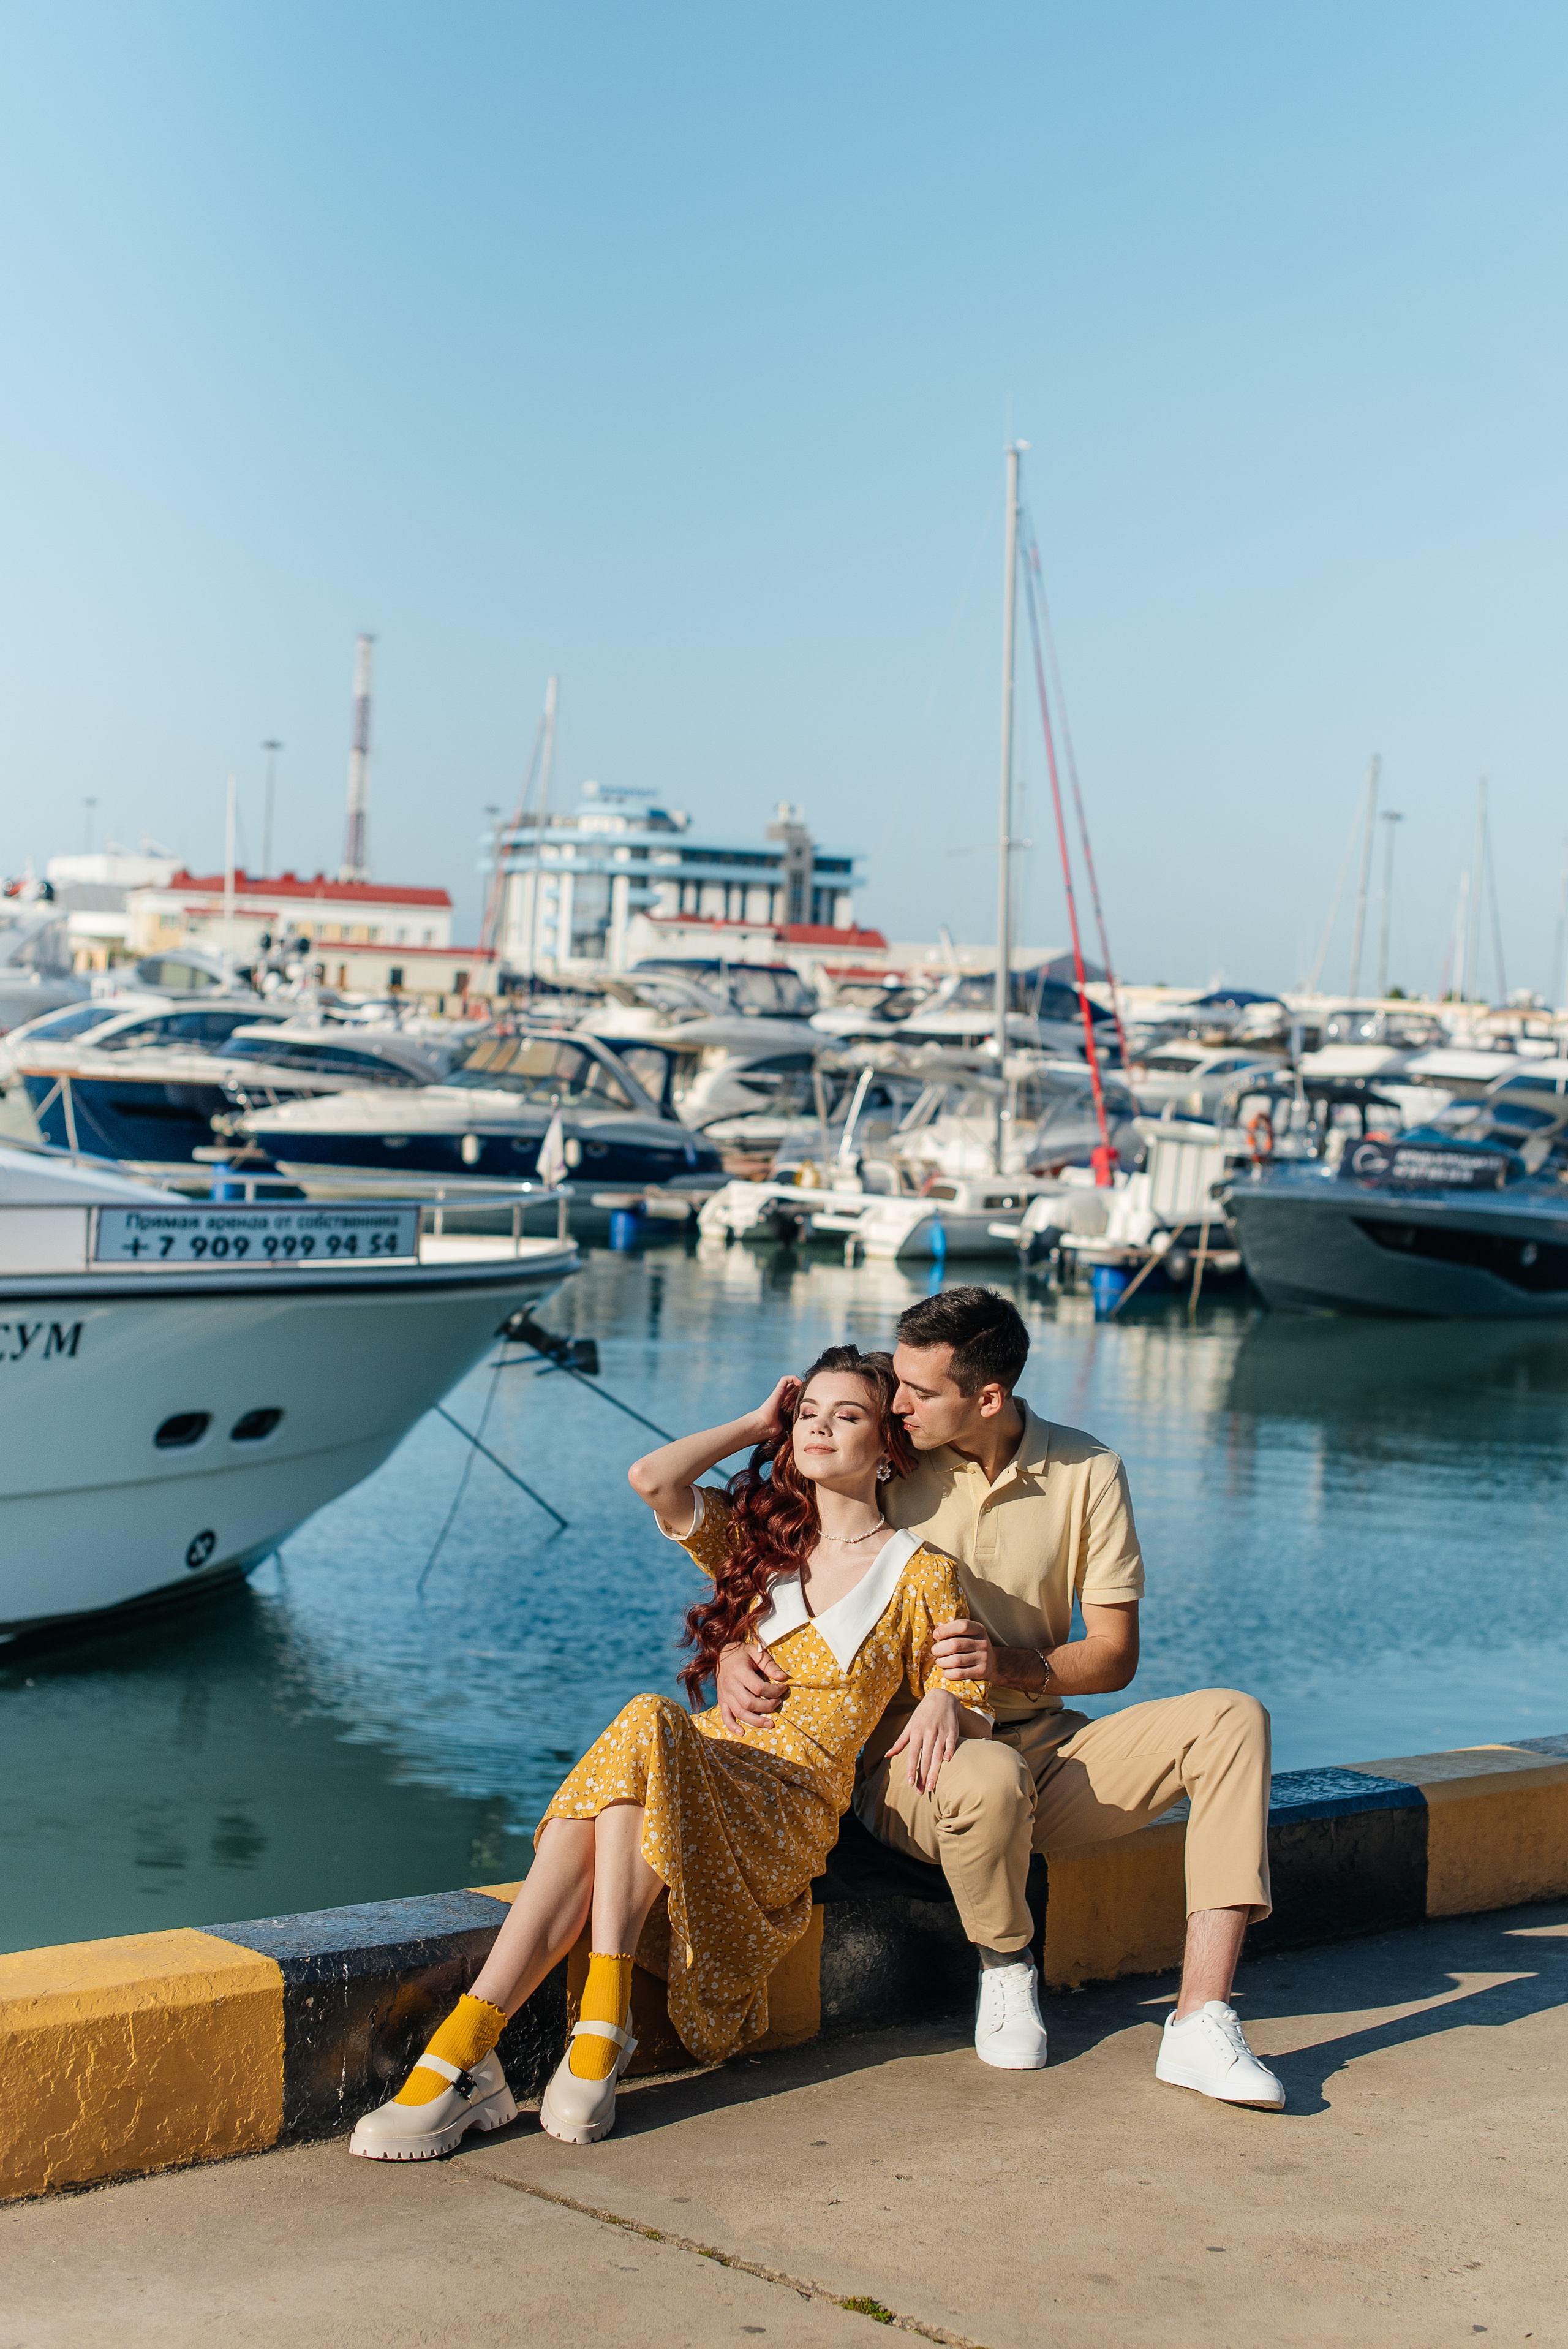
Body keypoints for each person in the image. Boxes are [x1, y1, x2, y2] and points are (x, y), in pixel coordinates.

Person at [349, 1344, 992, 2161]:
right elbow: (653, 1478)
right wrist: (754, 1423)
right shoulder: (762, 1545)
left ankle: (474, 2056)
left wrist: (941, 1695)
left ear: (887, 1446)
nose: (820, 1427)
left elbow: (972, 1698)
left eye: (848, 1414)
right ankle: (545, 2037)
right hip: (704, 1762)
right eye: (808, 1413)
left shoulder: (920, 1572)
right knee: (644, 1739)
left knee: (645, 1726)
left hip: (789, 1801)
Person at [717, 1287, 1284, 2111]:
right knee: (985, 1774)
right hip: (911, 1764)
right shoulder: (893, 1456)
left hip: (1043, 1743)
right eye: (897, 1383)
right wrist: (734, 1647)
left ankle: (1201, 2019)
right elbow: (774, 1555)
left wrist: (1010, 1664)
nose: (897, 1403)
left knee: (1234, 1718)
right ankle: (1007, 1969)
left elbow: (1115, 1654)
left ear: (987, 1397)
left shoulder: (1089, 1471)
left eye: (919, 1391)